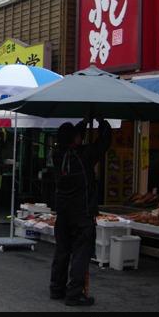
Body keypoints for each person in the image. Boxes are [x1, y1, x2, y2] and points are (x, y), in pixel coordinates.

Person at [49, 119, 111, 307]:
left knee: (62, 252)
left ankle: (56, 289)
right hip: (82, 214)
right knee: (81, 254)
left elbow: (74, 138)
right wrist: (102, 123)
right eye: (78, 135)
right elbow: (103, 143)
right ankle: (74, 294)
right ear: (74, 138)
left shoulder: (57, 155)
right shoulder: (84, 155)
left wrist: (84, 122)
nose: (80, 136)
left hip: (63, 213)